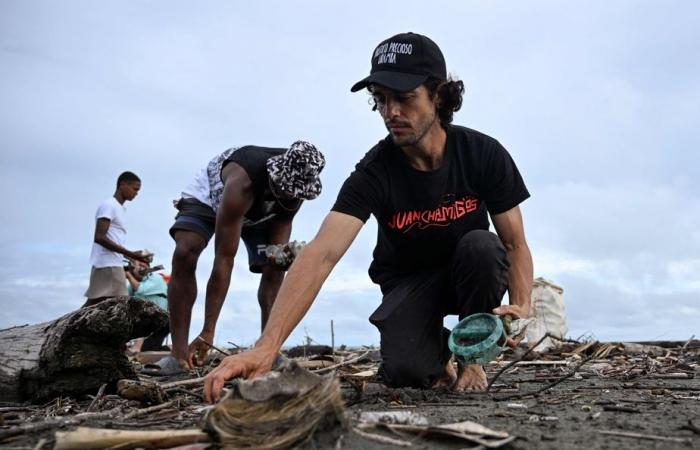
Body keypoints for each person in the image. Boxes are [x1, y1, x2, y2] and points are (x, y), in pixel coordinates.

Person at [203, 32, 533, 402]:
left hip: (468, 272)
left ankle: (472, 359)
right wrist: (265, 348)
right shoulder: (375, 171)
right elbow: (321, 253)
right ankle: (434, 348)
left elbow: (514, 243)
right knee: (407, 372)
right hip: (408, 281)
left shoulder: (483, 154)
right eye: (381, 99)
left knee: (482, 247)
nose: (391, 112)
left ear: (438, 96)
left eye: (404, 98)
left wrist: (521, 305)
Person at [144, 142, 325, 376]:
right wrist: (208, 331)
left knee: (276, 267)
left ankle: (268, 351)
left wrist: (281, 257)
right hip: (213, 198)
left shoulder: (296, 188)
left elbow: (275, 253)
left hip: (261, 211)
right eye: (283, 189)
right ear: (275, 174)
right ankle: (177, 356)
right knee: (185, 253)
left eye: (293, 193)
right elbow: (224, 260)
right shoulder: (243, 181)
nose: (288, 195)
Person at [83, 171, 150, 308]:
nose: (136, 193)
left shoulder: (120, 209)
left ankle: (64, 327)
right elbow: (100, 237)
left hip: (111, 263)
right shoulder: (109, 205)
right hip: (108, 264)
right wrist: (131, 254)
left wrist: (132, 255)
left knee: (95, 303)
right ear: (122, 185)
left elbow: (113, 240)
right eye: (135, 189)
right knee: (121, 304)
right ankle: (64, 327)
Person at [125, 260, 170, 352]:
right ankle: (170, 349)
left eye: (142, 265)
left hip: (160, 321)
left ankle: (136, 348)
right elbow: (124, 298)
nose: (139, 268)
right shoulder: (134, 284)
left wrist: (129, 276)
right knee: (148, 349)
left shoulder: (156, 278)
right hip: (150, 325)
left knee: (142, 318)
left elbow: (141, 289)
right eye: (136, 266)